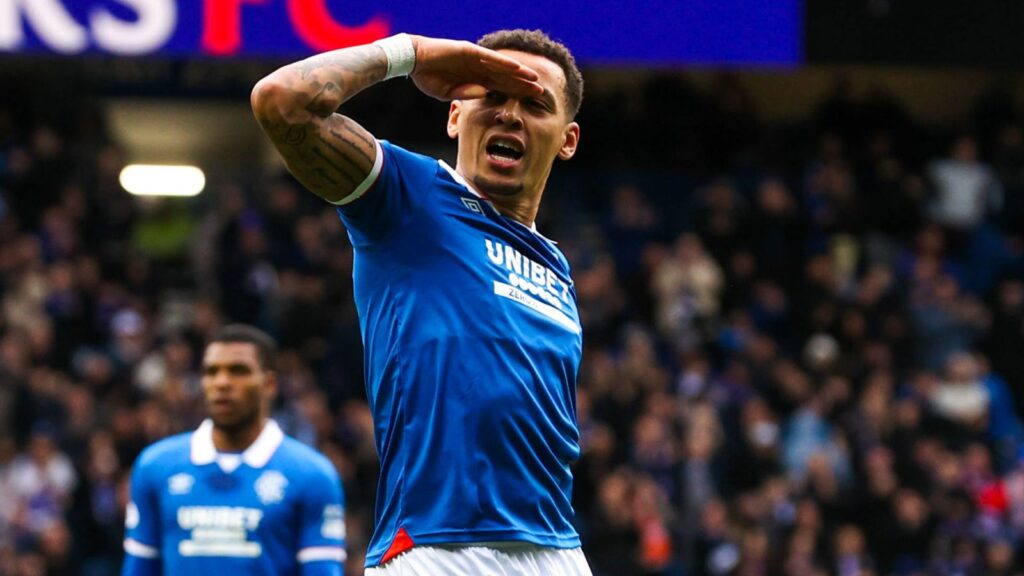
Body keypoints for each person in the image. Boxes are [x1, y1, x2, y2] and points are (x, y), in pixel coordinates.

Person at [251, 29, 591, 575]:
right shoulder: (411, 195)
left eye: (534, 104)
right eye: (492, 95)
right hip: (437, 547)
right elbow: (282, 101)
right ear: (455, 115)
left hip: (556, 549)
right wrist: (413, 53)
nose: (510, 115)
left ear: (567, 140)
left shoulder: (556, 265)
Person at [121, 324, 346, 575]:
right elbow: (138, 569)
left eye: (238, 371)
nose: (222, 382)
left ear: (269, 384)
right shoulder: (155, 466)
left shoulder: (311, 475)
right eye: (211, 371)